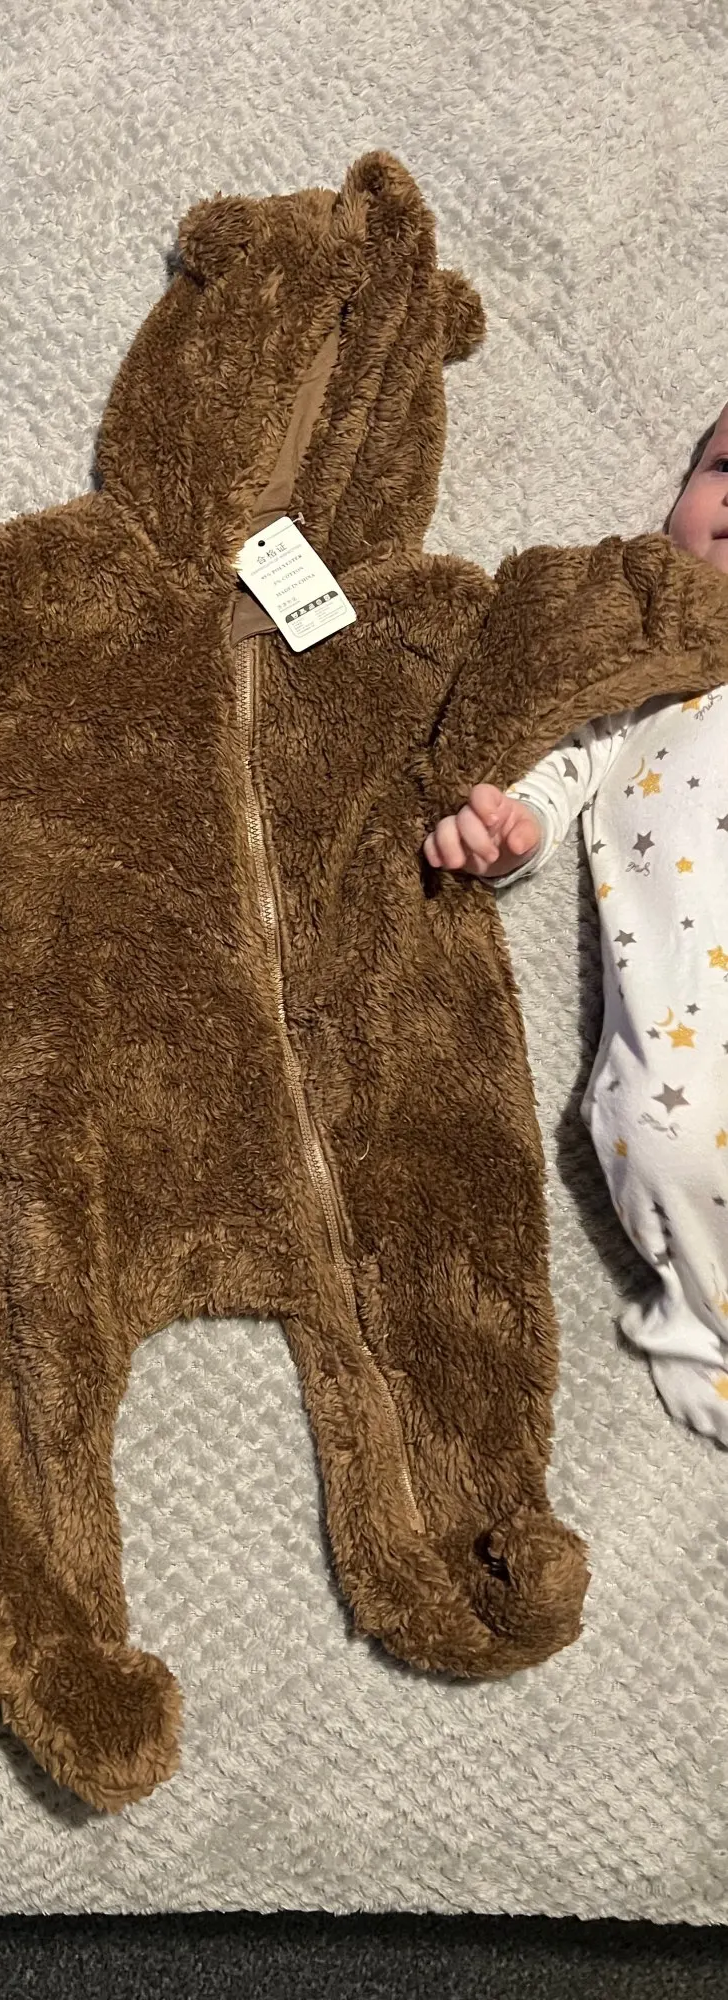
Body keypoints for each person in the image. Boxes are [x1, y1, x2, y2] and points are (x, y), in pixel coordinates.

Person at [425, 405, 728, 1445]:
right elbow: (556, 774)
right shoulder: (642, 684)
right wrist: (505, 830)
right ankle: (707, 1324)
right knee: (660, 1135)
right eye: (724, 467)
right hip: (690, 1048)